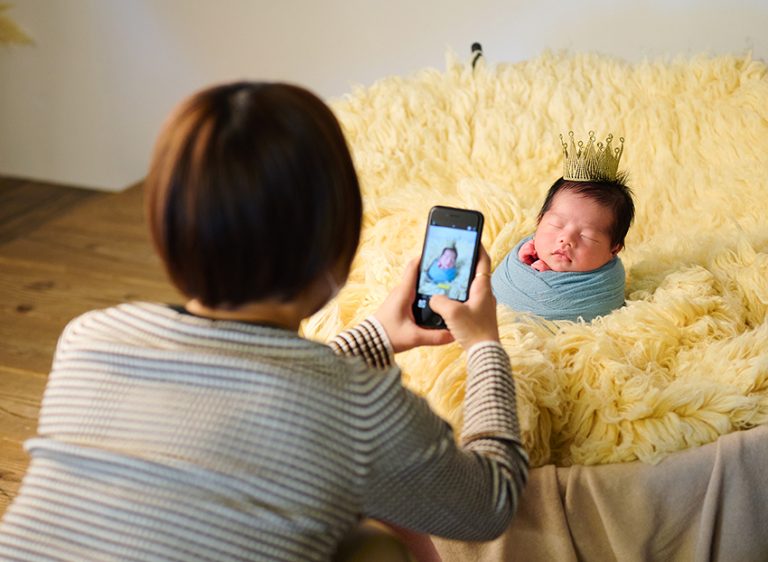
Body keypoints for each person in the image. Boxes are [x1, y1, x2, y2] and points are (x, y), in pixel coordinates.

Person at [0, 82, 528, 562]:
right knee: (378, 544)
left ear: (164, 224)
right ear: (339, 242)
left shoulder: (89, 337)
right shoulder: (361, 406)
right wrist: (484, 345)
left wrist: (377, 336)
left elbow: (243, 400)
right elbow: (489, 504)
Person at [492, 132, 635, 322]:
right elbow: (495, 289)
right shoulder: (523, 253)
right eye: (556, 224)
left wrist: (546, 278)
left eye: (587, 236)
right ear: (539, 221)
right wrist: (531, 267)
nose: (566, 239)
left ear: (614, 249)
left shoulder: (605, 286)